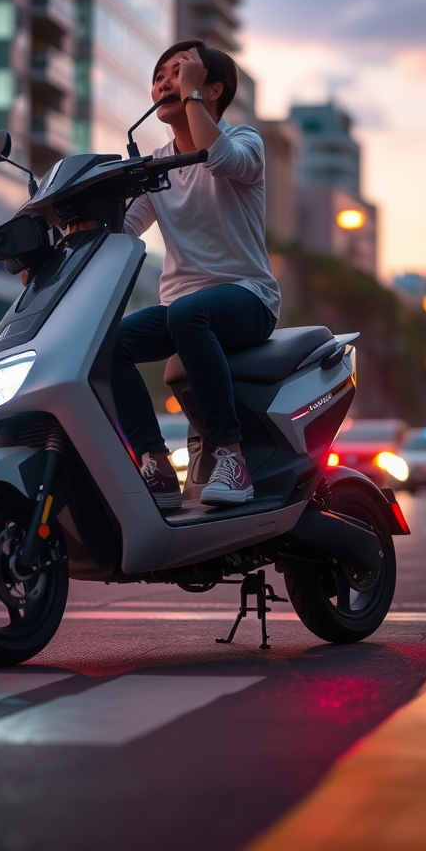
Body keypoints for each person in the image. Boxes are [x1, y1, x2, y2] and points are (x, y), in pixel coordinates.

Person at [113, 40, 280, 508]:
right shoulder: (156, 168)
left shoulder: (244, 141)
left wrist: (191, 99)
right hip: (182, 310)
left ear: (213, 88)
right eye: (160, 75)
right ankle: (155, 464)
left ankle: (232, 457)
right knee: (110, 343)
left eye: (180, 71)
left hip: (248, 298)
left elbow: (219, 159)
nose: (166, 81)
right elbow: (121, 230)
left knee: (187, 314)